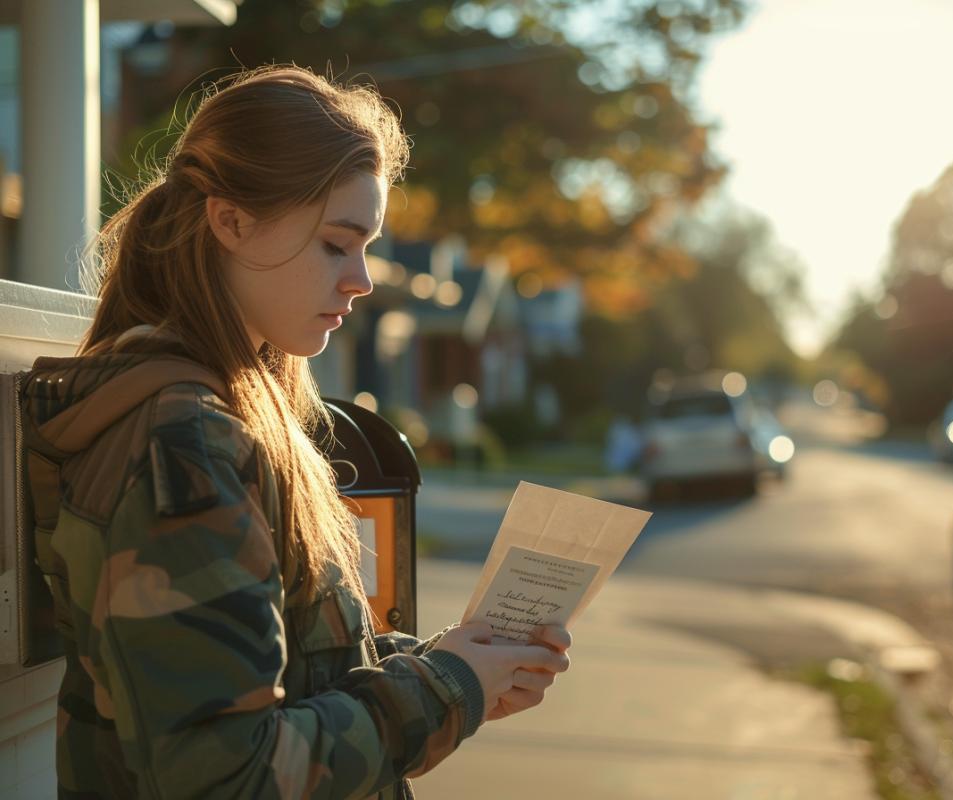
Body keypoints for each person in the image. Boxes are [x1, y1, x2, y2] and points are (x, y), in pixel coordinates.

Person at [18, 65, 570, 799]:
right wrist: (445, 685)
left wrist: (462, 669)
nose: (362, 280)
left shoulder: (224, 411)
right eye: (337, 244)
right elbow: (229, 776)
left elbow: (294, 670)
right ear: (231, 222)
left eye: (366, 246)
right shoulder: (180, 440)